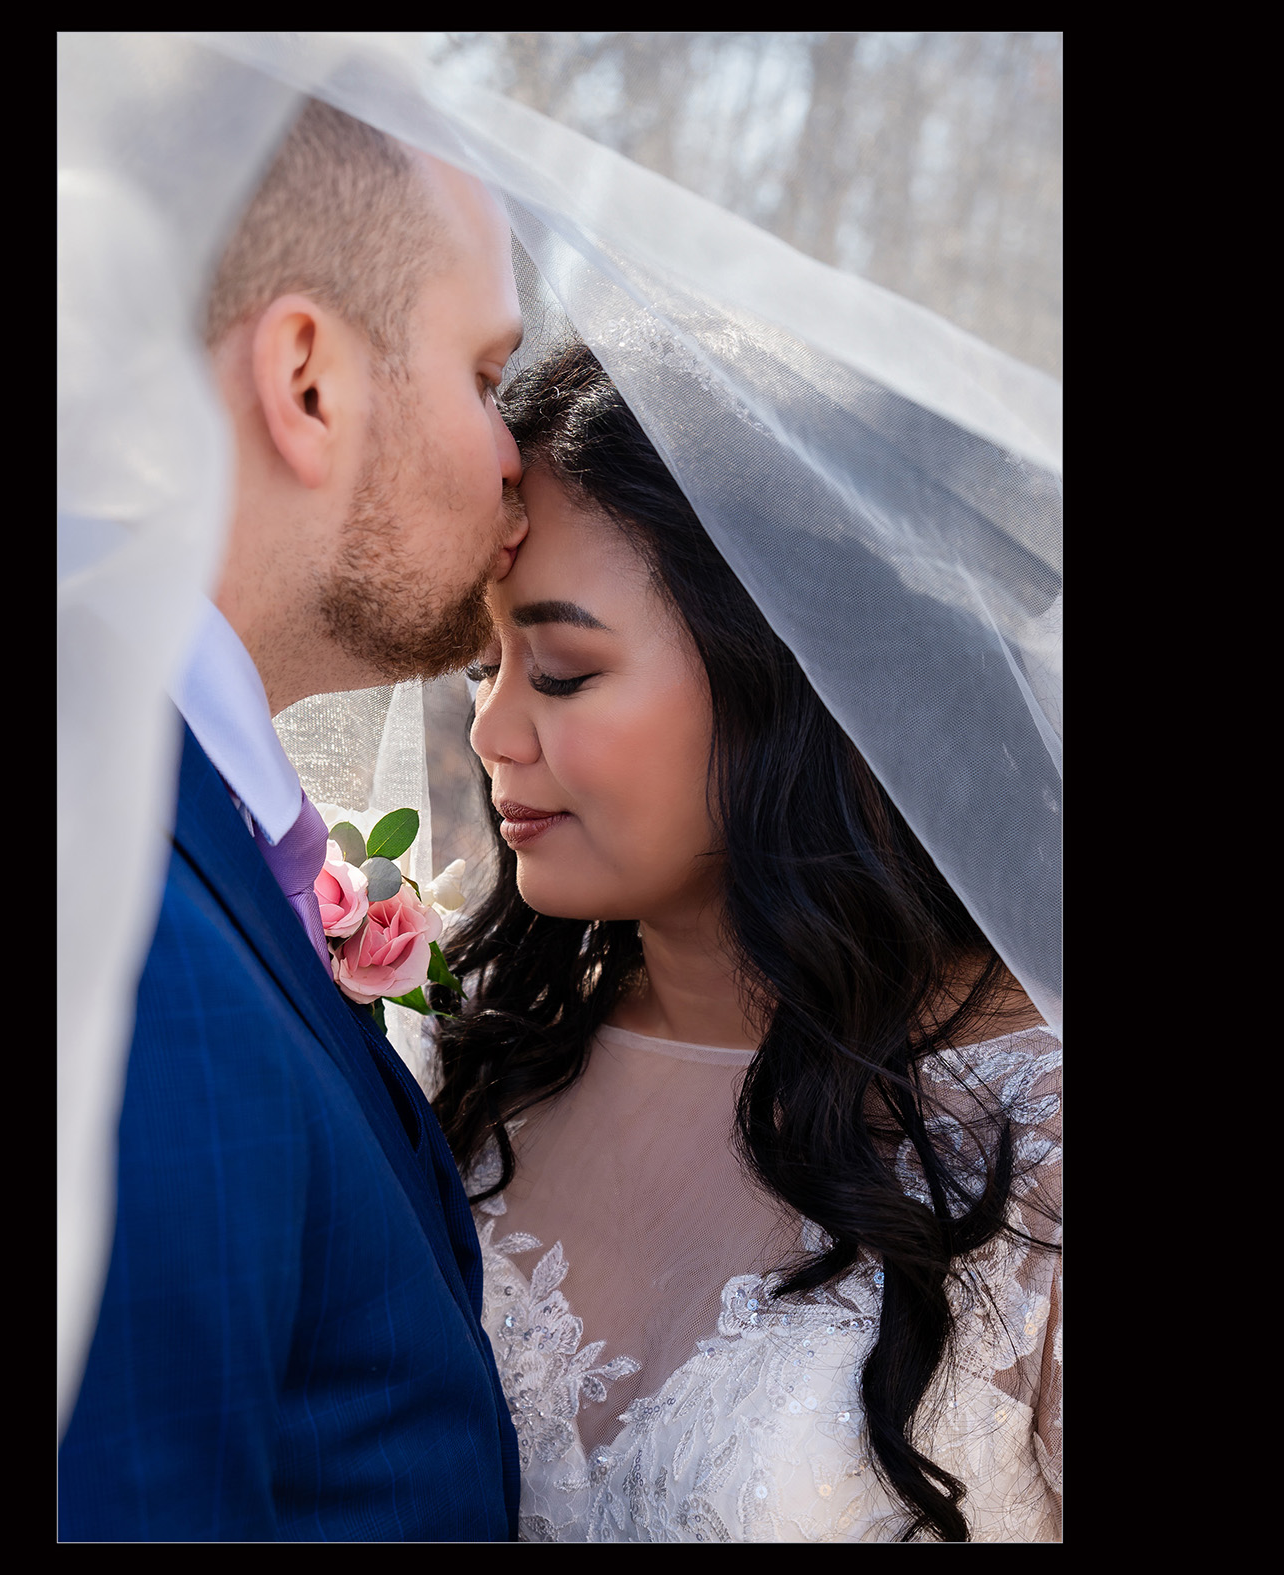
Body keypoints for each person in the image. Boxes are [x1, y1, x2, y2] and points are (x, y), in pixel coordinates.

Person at [428, 341, 1063, 1542]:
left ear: (790, 676)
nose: (494, 731)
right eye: (481, 663)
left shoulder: (1037, 1137)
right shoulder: (472, 1068)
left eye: (560, 671)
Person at [58, 98, 536, 1540]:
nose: (518, 454)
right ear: (308, 381)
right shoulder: (131, 929)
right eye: (485, 370)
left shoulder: (174, 828)